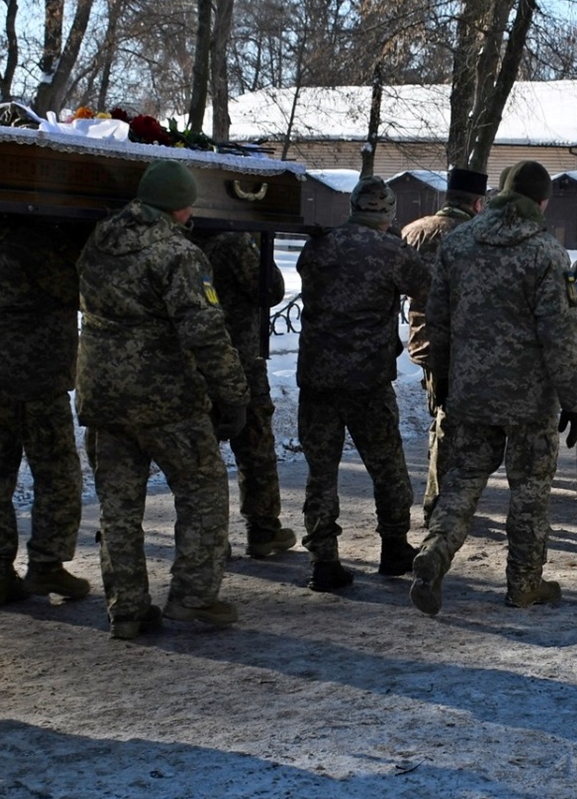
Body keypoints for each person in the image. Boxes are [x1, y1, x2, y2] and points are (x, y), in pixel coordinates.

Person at [76, 160, 250, 640]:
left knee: (118, 506)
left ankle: (127, 609)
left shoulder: (99, 241)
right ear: (181, 205)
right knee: (202, 492)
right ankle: (194, 597)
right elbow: (206, 333)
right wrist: (234, 395)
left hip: (103, 396)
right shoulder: (178, 253)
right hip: (165, 398)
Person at [411, 160, 577, 614]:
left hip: (469, 391)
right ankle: (523, 583)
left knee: (462, 479)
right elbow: (560, 335)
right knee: (529, 491)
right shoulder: (546, 252)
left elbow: (438, 319)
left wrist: (444, 378)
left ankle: (434, 552)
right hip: (530, 401)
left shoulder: (459, 243)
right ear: (542, 201)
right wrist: (574, 400)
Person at [293, 176, 428, 593]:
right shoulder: (391, 251)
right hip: (367, 379)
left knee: (321, 472)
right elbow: (426, 286)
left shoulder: (318, 245)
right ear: (387, 212)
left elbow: (304, 273)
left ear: (353, 206)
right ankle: (393, 547)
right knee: (387, 466)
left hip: (317, 378)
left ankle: (324, 560)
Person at [0, 218, 93, 608]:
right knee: (57, 473)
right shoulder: (39, 237)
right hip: (35, 374)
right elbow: (73, 289)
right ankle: (47, 564)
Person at [196, 228, 297, 558]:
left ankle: (209, 537)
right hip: (240, 357)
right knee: (254, 444)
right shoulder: (234, 239)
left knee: (200, 455)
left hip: (194, 361)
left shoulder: (181, 238)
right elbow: (270, 289)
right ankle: (263, 529)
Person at [401, 165, 490, 522]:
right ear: (478, 203)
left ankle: (441, 497)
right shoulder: (476, 236)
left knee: (438, 415)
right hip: (465, 344)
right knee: (452, 423)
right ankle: (440, 502)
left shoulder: (413, 231)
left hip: (425, 343)